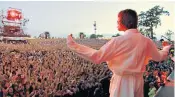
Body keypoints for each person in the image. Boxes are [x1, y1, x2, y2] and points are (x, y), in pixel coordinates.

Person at [67, 9, 171, 97]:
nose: (117, 23)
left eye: (118, 21)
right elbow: (159, 56)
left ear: (128, 22)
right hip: (139, 82)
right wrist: (166, 48)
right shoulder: (147, 41)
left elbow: (97, 57)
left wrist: (73, 45)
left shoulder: (117, 41)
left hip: (122, 83)